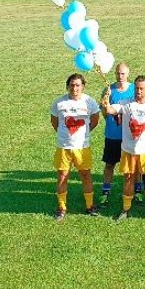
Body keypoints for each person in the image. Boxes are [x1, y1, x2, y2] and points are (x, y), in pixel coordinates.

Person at [101, 75, 145, 221]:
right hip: (128, 150)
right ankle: (126, 209)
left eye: (142, 88)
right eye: (136, 88)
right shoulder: (126, 103)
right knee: (128, 179)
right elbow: (110, 110)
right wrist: (106, 101)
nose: (138, 91)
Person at [50, 73, 101, 220]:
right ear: (67, 86)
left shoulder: (89, 102)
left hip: (82, 147)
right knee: (62, 177)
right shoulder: (59, 103)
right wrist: (65, 135)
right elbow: (55, 122)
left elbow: (95, 120)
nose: (75, 88)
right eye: (72, 85)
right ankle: (61, 207)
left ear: (83, 86)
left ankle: (90, 206)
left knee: (86, 176)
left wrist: (83, 134)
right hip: (63, 147)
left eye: (78, 85)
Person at [99, 62, 136, 207]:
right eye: (118, 73)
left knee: (133, 166)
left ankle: (136, 191)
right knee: (110, 164)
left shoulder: (134, 89)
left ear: (128, 74)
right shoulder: (109, 90)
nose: (120, 76)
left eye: (123, 73)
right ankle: (105, 192)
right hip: (112, 135)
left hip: (130, 135)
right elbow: (104, 111)